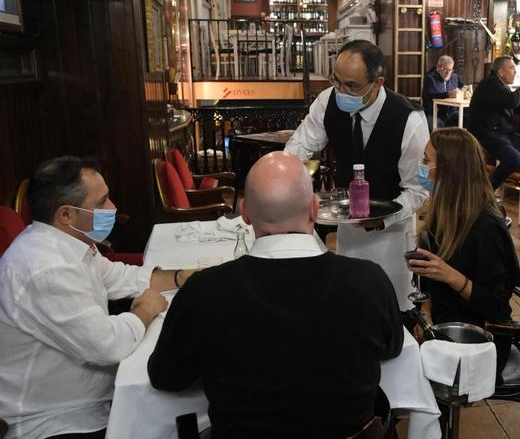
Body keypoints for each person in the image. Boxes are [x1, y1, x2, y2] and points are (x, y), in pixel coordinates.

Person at [148, 151, 404, 438]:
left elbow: (166, 377)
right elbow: (392, 348)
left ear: (244, 213)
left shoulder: (202, 292)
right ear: (314, 209)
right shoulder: (370, 280)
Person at [0, 156, 192, 439]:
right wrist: (144, 310)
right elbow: (108, 346)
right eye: (101, 202)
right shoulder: (45, 267)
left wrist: (184, 276)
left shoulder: (68, 242)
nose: (112, 208)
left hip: (90, 398)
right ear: (66, 214)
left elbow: (119, 277)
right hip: (58, 421)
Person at [285, 39, 429, 309]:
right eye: (336, 81)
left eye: (351, 86)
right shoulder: (328, 101)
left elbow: (420, 190)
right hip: (348, 228)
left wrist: (382, 218)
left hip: (392, 233)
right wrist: (281, 174)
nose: (341, 91)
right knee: (350, 303)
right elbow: (300, 145)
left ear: (378, 83)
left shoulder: (409, 120)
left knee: (390, 308)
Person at [408, 128, 520, 328]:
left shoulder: (485, 226)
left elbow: (497, 307)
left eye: (426, 161)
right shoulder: (443, 211)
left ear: (449, 170)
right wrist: (425, 312)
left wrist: (451, 276)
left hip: (476, 331)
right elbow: (428, 282)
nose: (422, 167)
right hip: (441, 319)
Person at [467, 56, 520, 206]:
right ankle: (486, 190)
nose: (515, 71)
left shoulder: (500, 85)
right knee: (515, 159)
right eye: (511, 68)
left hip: (502, 134)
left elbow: (515, 104)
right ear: (500, 71)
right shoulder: (490, 84)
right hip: (487, 134)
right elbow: (511, 101)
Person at [422, 55, 466, 129]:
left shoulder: (455, 77)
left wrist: (464, 92)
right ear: (438, 68)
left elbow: (463, 87)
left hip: (452, 113)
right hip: (435, 114)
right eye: (445, 69)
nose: (448, 73)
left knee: (467, 121)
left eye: (450, 70)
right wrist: (448, 94)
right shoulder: (430, 78)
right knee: (437, 128)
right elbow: (429, 96)